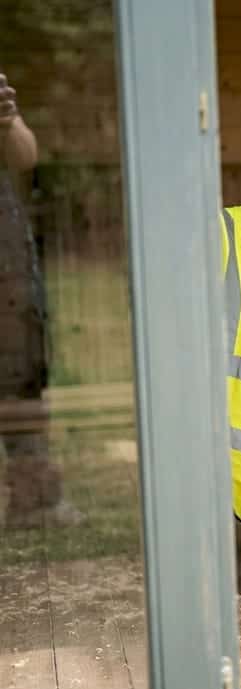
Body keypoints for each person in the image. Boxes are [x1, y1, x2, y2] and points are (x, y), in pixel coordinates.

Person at [0, 71, 83, 529]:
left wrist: (9, 120)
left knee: (21, 375)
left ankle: (35, 503)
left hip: (6, 259)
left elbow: (25, 156)